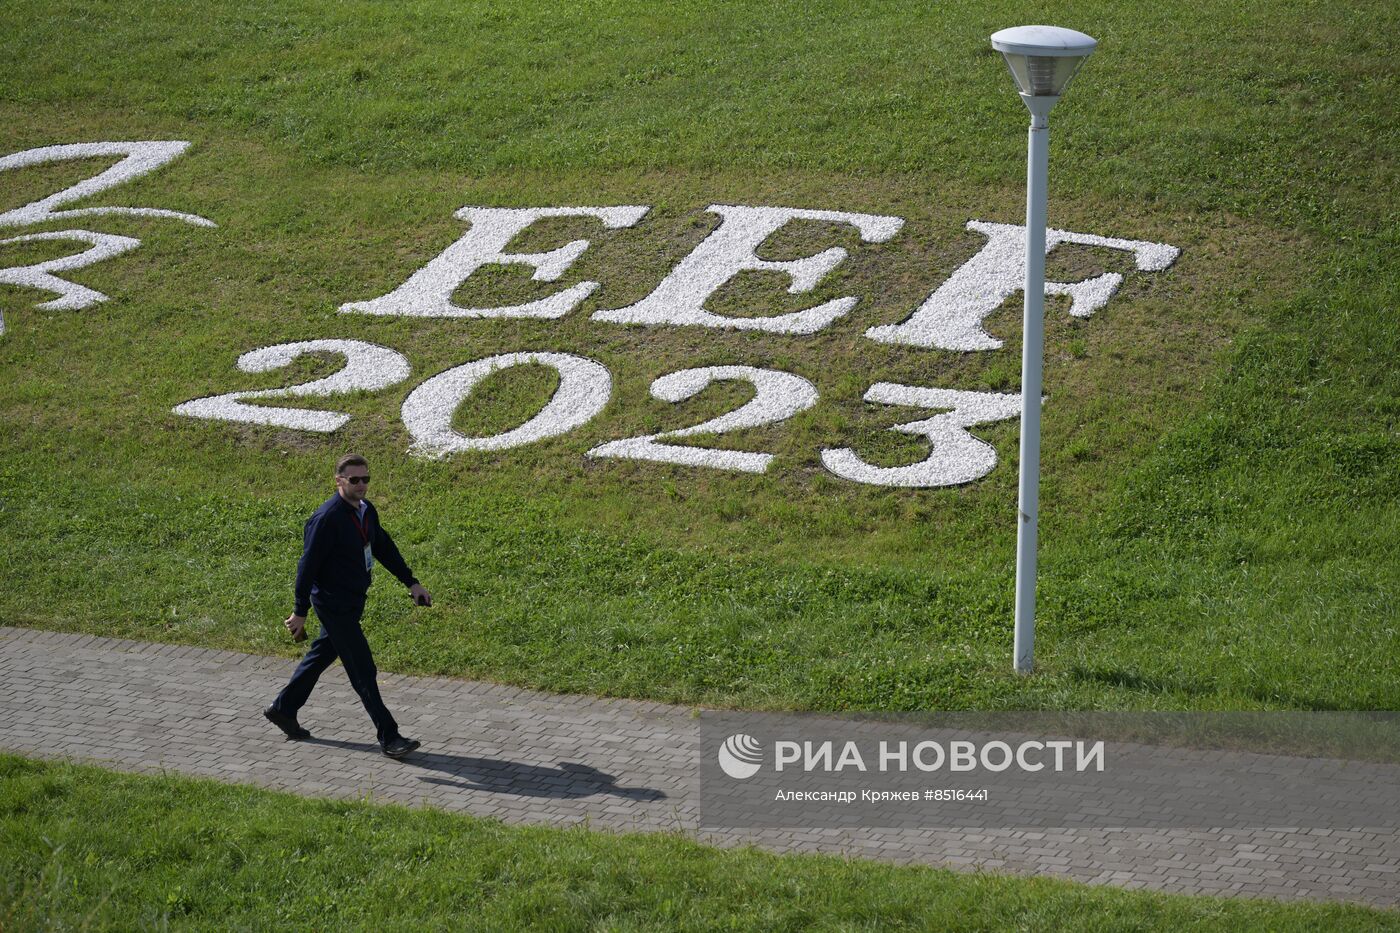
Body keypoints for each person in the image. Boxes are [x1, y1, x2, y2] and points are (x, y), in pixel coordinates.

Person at [263, 454, 433, 758]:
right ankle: (390, 737)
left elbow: (382, 547)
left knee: (320, 655)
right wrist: (300, 610)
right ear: (339, 481)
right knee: (362, 670)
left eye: (365, 479)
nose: (361, 485)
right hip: (333, 603)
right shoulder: (326, 519)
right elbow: (307, 566)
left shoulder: (366, 512)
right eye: (354, 480)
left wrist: (412, 582)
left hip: (353, 600)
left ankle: (283, 708)